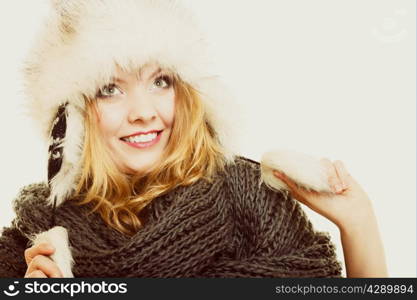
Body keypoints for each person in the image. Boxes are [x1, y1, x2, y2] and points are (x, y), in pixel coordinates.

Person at [0, 0, 387, 278]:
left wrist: (359, 224)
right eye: (109, 89)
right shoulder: (39, 240)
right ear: (72, 120)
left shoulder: (252, 201)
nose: (143, 111)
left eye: (160, 81)